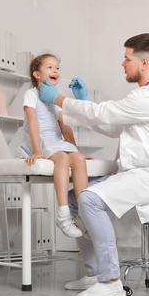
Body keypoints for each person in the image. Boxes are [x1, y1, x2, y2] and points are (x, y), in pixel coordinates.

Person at [39, 33, 149, 296]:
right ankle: (93, 274)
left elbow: (104, 113)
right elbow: (112, 126)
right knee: (73, 199)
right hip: (138, 172)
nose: (122, 64)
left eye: (126, 58)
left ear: (142, 62)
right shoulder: (142, 96)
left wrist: (59, 100)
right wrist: (82, 101)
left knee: (90, 199)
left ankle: (111, 281)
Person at [18, 53, 92, 238]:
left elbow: (64, 127)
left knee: (76, 159)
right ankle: (64, 215)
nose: (55, 70)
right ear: (36, 74)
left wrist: (77, 150)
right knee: (62, 158)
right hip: (39, 140)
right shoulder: (31, 94)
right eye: (49, 67)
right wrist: (36, 151)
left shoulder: (56, 99)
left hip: (55, 140)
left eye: (57, 67)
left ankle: (83, 215)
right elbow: (33, 123)